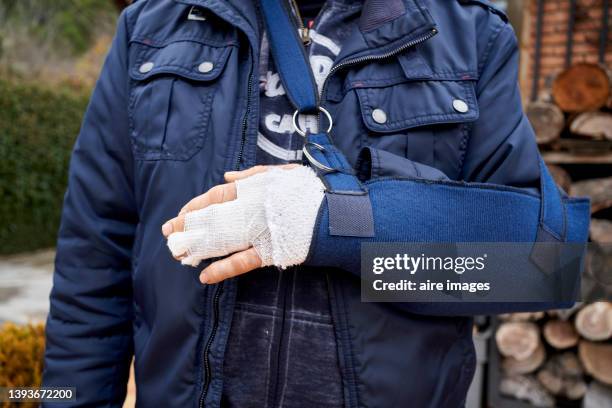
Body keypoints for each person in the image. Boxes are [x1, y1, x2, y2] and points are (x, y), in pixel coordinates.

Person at [41, 0, 589, 407]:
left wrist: (333, 224)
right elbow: (93, 266)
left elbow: (534, 266)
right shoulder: (152, 27)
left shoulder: (468, 34)